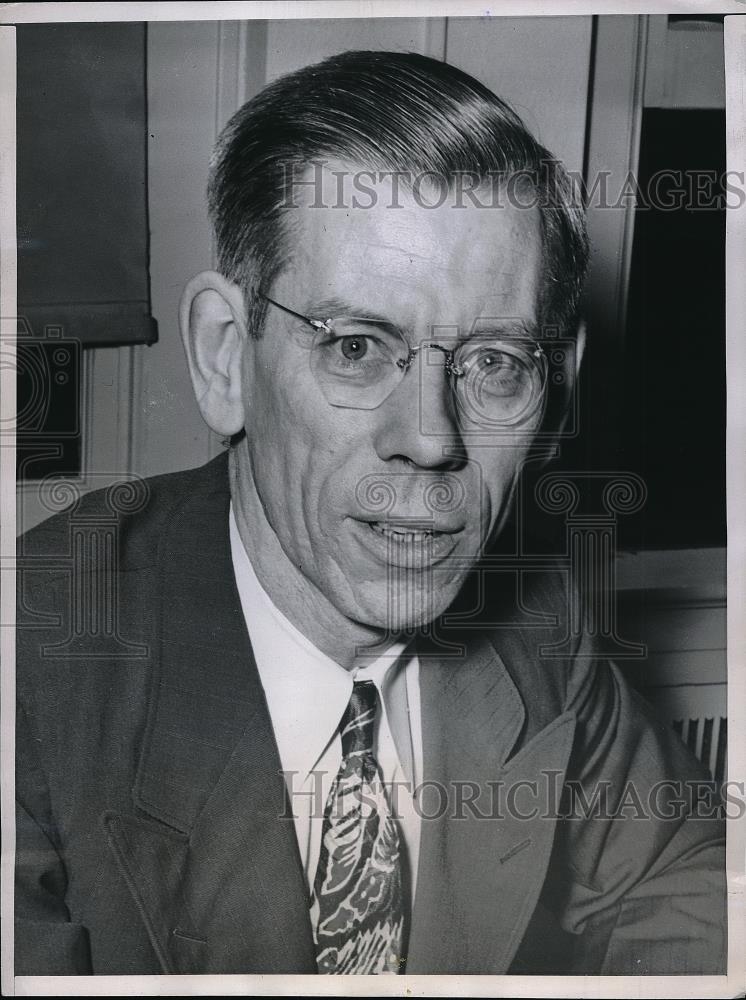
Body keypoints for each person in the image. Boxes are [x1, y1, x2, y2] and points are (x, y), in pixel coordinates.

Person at [15, 50, 725, 977]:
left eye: (496, 364)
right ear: (228, 358)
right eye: (357, 347)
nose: (431, 440)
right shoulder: (31, 668)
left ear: (560, 392)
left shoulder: (536, 618)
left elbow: (675, 881)